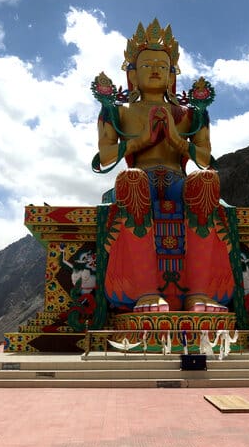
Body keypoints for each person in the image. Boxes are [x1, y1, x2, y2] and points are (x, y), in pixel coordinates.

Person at [94, 18, 235, 313]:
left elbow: (205, 159)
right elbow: (106, 158)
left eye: (162, 65)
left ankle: (199, 293)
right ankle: (146, 292)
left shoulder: (189, 113)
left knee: (207, 180)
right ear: (132, 73)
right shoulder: (118, 112)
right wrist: (140, 141)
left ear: (172, 74)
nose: (155, 69)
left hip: (176, 180)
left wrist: (176, 139)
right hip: (139, 178)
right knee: (131, 180)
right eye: (146, 65)